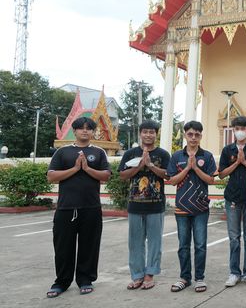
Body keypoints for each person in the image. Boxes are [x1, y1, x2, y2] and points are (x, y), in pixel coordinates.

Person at [46, 117, 111, 298]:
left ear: (93, 132)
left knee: (89, 246)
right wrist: (75, 169)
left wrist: (87, 169)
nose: (85, 131)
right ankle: (61, 282)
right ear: (74, 131)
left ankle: (85, 280)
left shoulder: (98, 152)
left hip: (90, 207)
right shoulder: (63, 152)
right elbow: (51, 176)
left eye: (88, 128)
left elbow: (106, 176)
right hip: (66, 208)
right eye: (81, 128)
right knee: (63, 247)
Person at [118, 120, 170, 291]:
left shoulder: (163, 154)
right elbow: (123, 176)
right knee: (135, 243)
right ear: (140, 134)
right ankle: (137, 275)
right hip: (135, 204)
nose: (148, 135)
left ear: (156, 134)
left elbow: (169, 175)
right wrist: (140, 165)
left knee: (155, 242)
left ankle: (150, 274)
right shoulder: (130, 153)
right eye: (145, 132)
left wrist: (150, 165)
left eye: (152, 132)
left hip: (156, 205)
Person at [167, 121, 216, 293]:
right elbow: (172, 180)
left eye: (197, 134)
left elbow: (211, 180)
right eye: (190, 134)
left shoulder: (207, 156)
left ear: (201, 136)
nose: (193, 137)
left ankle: (200, 278)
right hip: (182, 207)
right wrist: (188, 167)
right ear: (185, 135)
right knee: (183, 245)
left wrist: (196, 167)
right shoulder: (176, 156)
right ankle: (184, 278)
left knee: (201, 245)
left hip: (201, 208)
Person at [218, 116, 246, 288]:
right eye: (237, 128)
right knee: (234, 238)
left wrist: (245, 161)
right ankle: (234, 272)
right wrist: (237, 163)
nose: (240, 131)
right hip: (233, 199)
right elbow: (221, 174)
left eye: (243, 128)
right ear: (233, 130)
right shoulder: (227, 150)